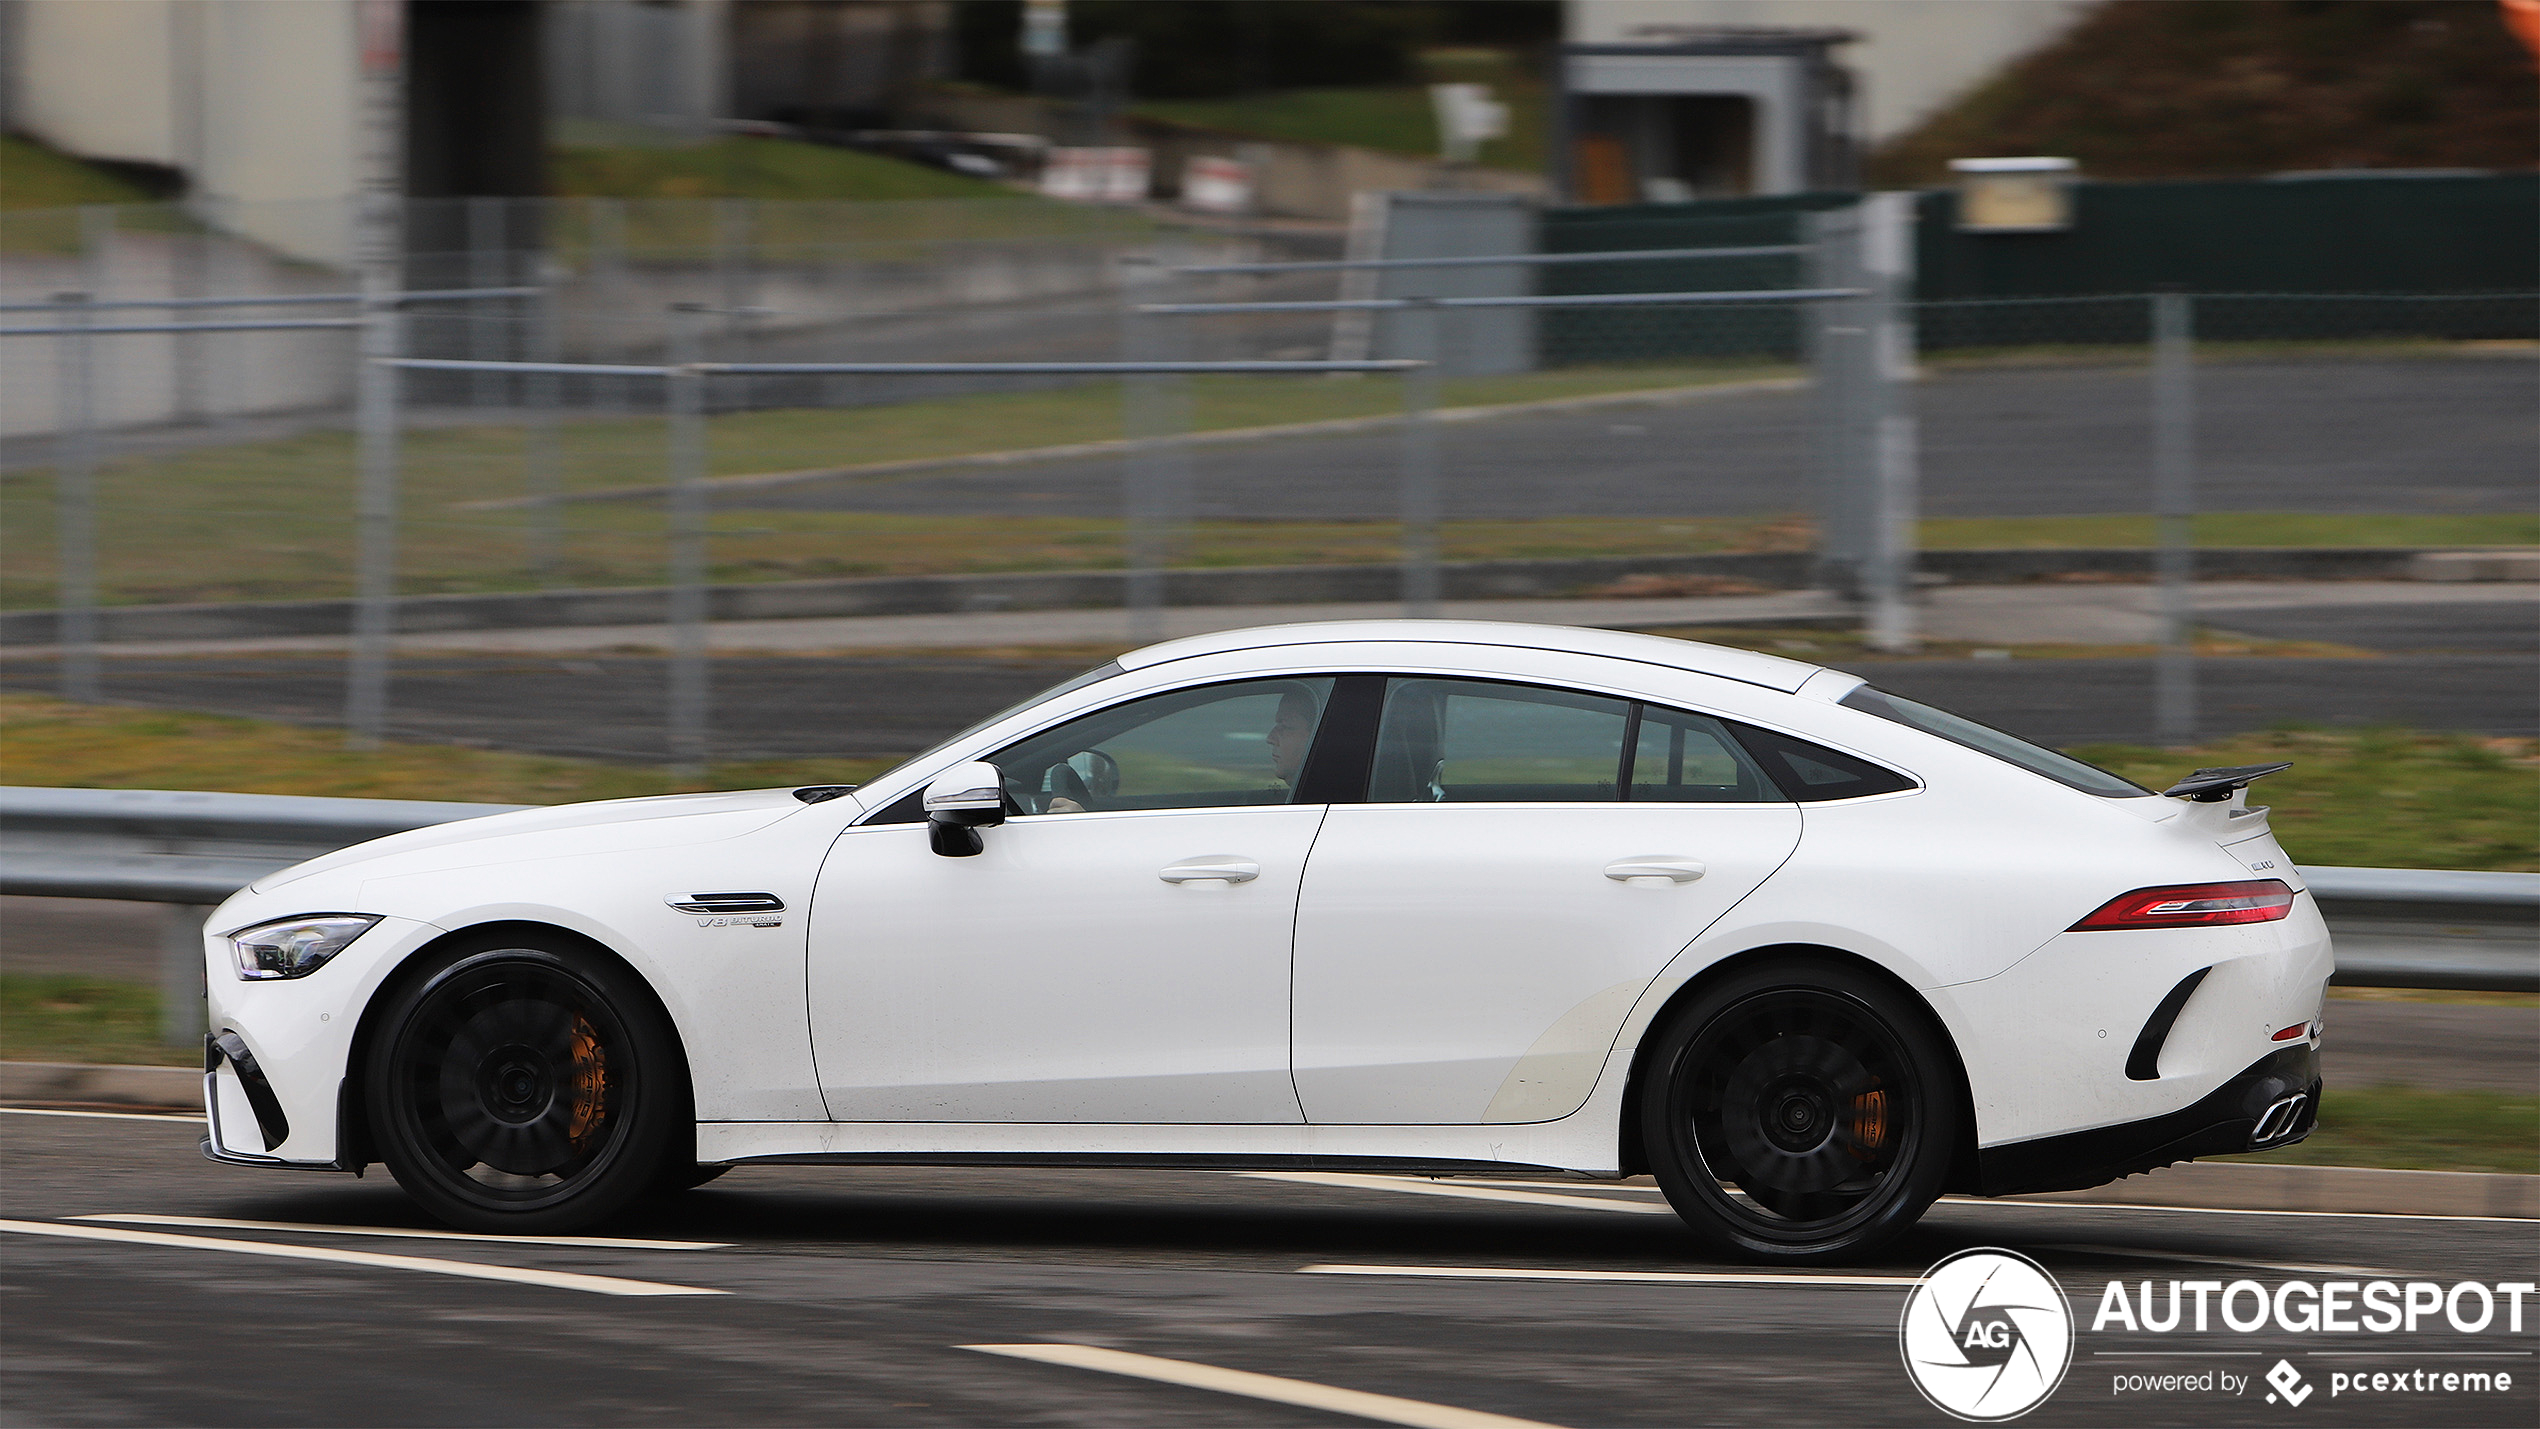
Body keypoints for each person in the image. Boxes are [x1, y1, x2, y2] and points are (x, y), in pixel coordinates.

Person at [1042, 682, 1320, 814]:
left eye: (1286, 726)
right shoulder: (1290, 806)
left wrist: (1084, 830)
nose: (1271, 738)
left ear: (1317, 735)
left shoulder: (1303, 816)